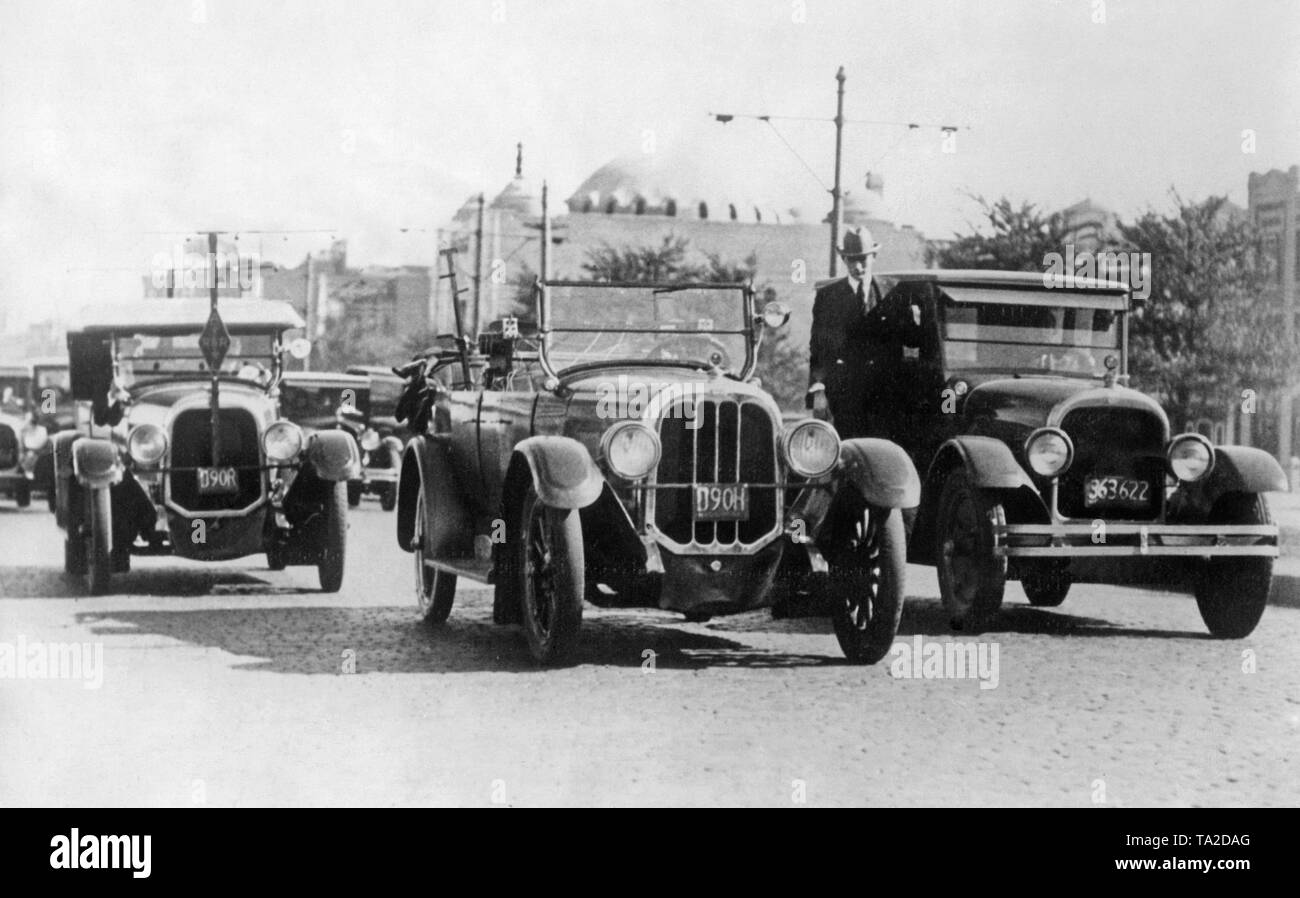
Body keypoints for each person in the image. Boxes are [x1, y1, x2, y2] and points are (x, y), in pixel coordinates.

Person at [806, 227, 921, 439]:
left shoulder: (894, 293)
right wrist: (818, 389)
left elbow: (912, 341)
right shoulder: (827, 297)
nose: (857, 266)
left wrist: (914, 319)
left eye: (863, 260)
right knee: (848, 454)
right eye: (851, 260)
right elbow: (818, 348)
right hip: (844, 395)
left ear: (874, 256)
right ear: (843, 259)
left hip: (885, 395)